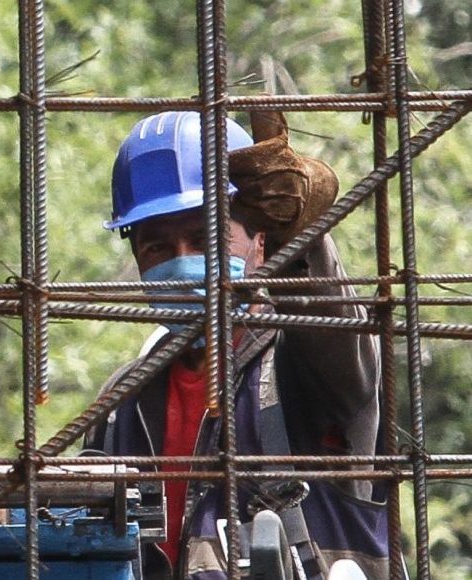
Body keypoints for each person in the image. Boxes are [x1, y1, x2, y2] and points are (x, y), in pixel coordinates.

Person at [84, 111, 388, 579]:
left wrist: (303, 240)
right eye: (157, 248)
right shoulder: (121, 402)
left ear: (261, 244)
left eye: (205, 239)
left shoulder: (307, 370)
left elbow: (332, 326)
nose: (183, 264)